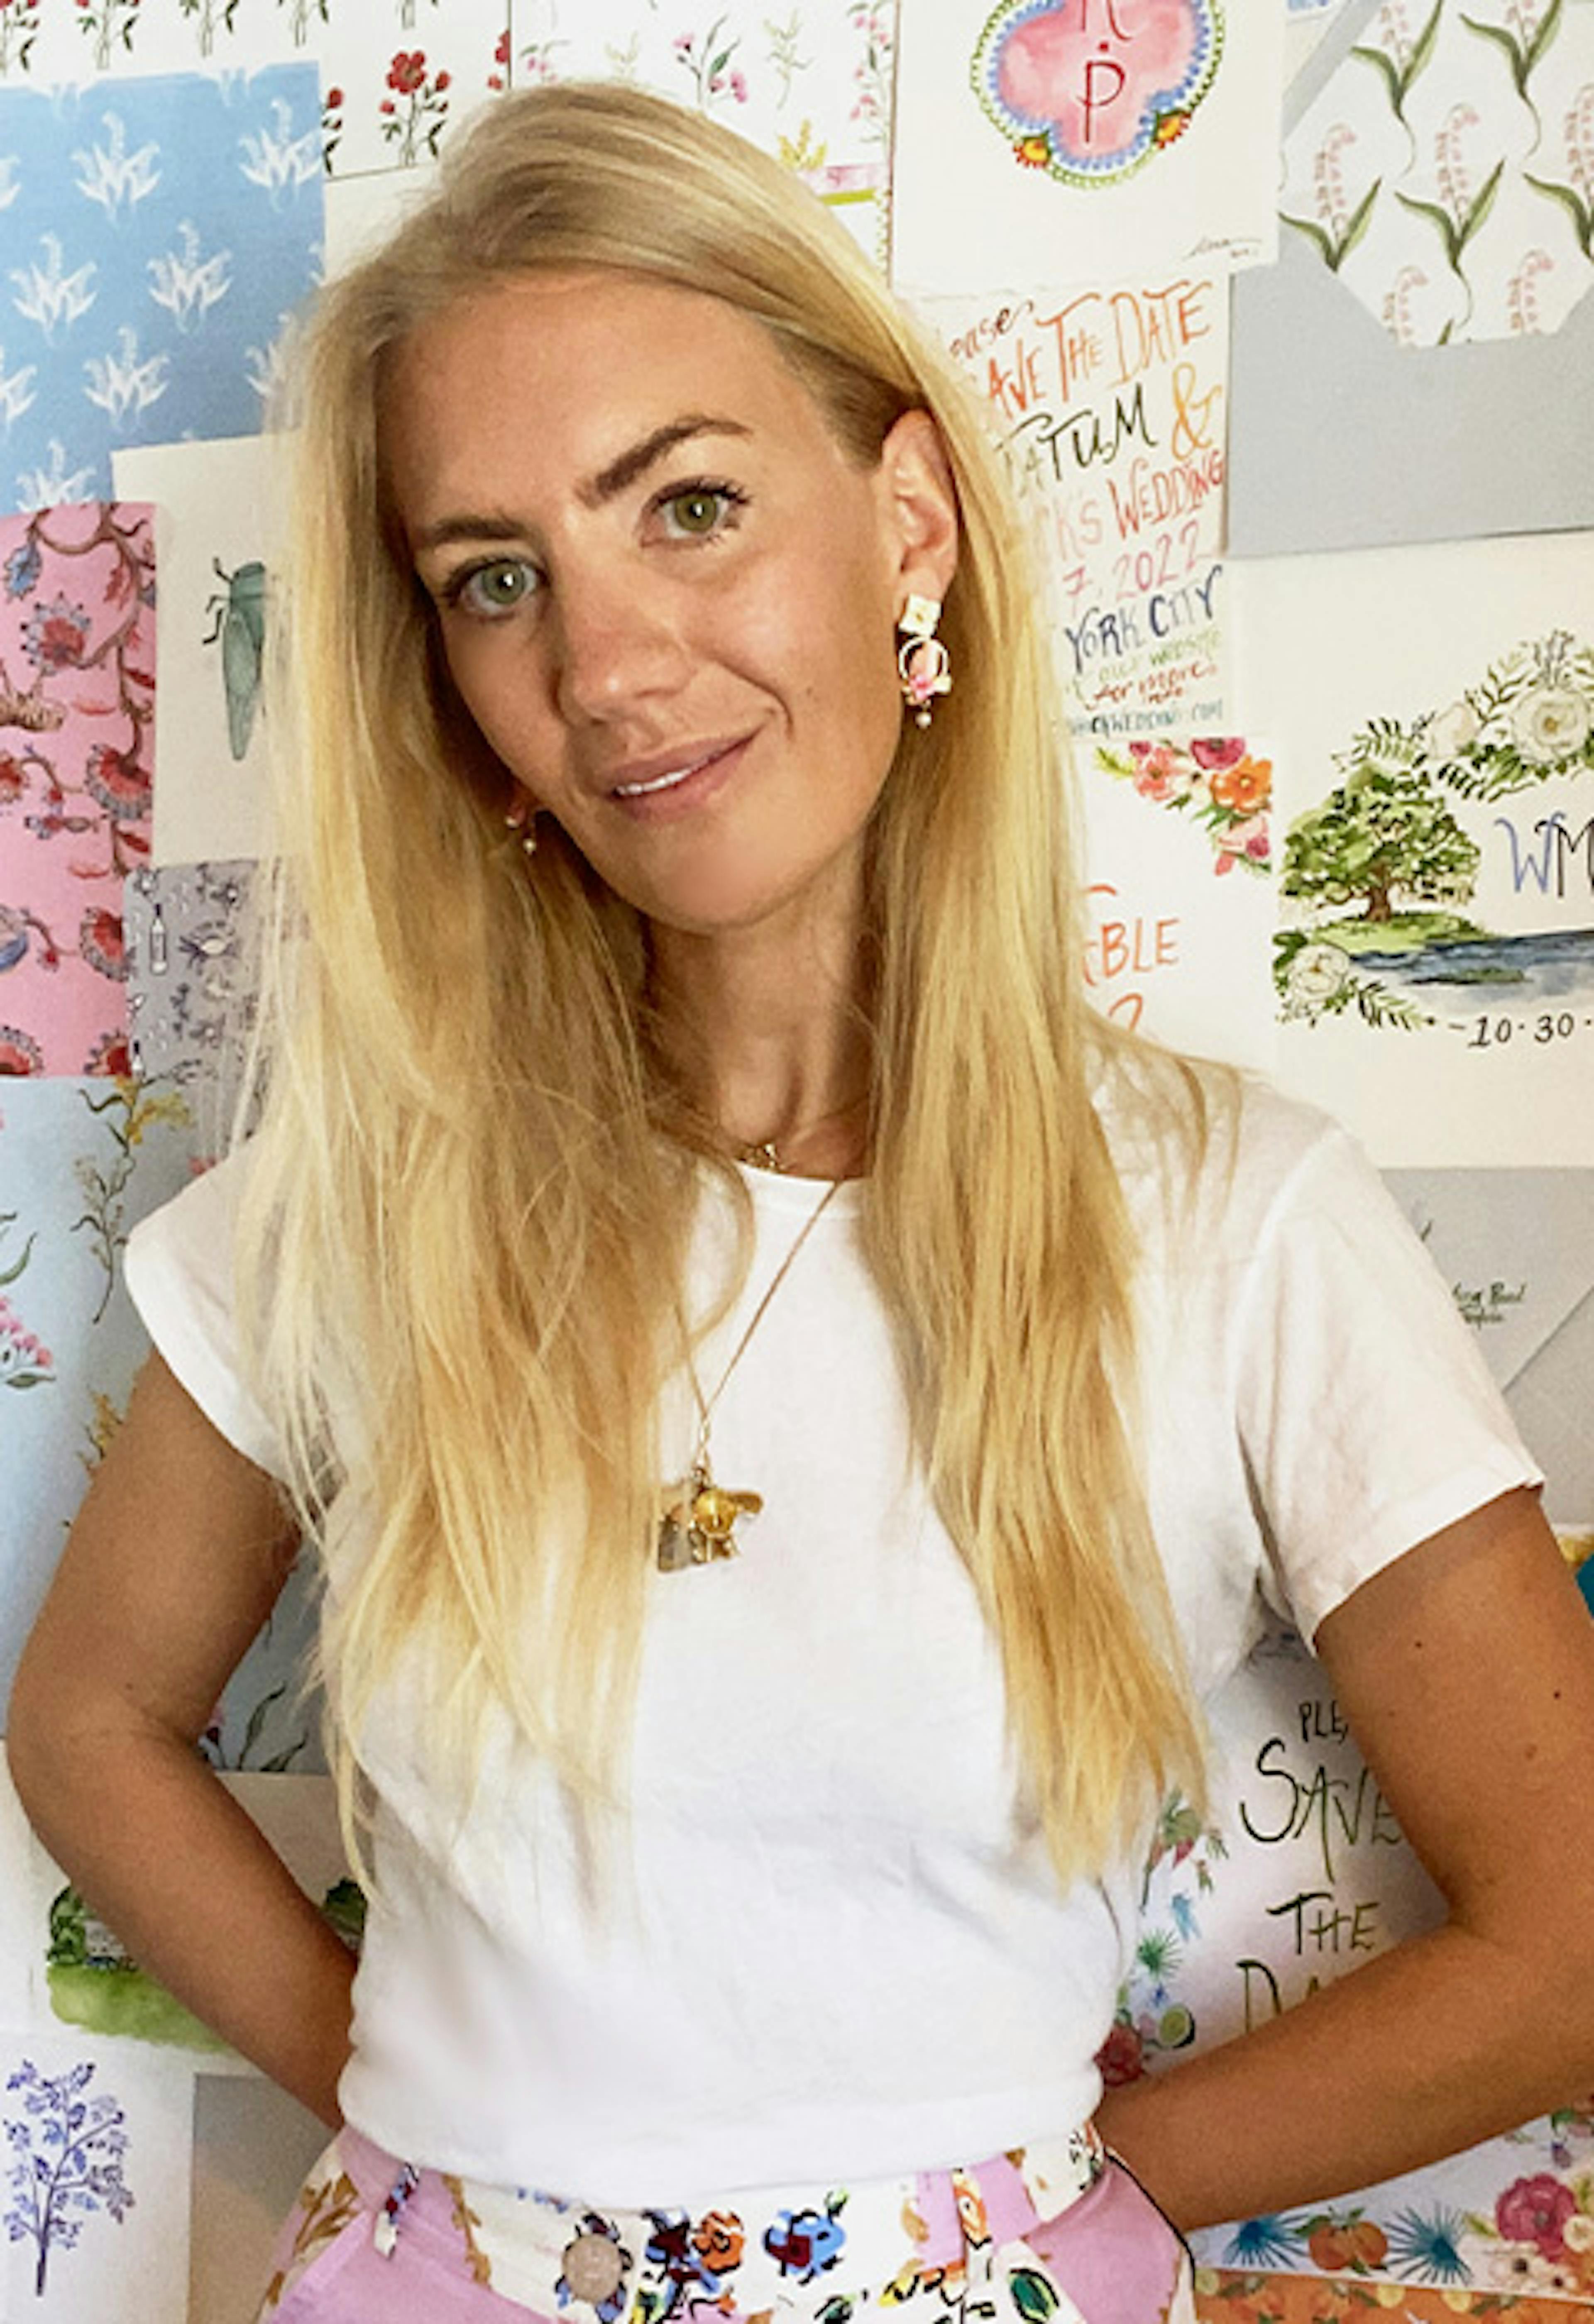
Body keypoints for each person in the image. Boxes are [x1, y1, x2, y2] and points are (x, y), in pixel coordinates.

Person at [9, 81, 1594, 2324]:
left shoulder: (1237, 1223)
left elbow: (1570, 1942)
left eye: (692, 505)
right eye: (494, 579)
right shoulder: (367, 1209)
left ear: (909, 519)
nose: (607, 667)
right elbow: (88, 1719)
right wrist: (417, 2154)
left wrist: (1044, 2214)